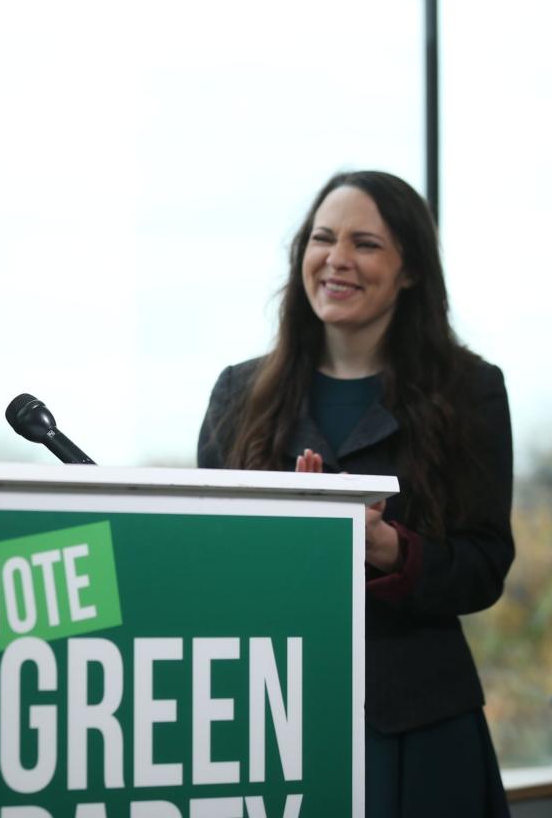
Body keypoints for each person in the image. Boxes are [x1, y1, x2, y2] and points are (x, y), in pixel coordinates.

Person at [197, 170, 513, 816]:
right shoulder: (238, 394)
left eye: (365, 243)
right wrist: (287, 538)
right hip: (272, 722)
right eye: (322, 238)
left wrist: (389, 548)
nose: (337, 259)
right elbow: (202, 559)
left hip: (421, 730)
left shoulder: (470, 391)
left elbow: (485, 567)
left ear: (410, 271)